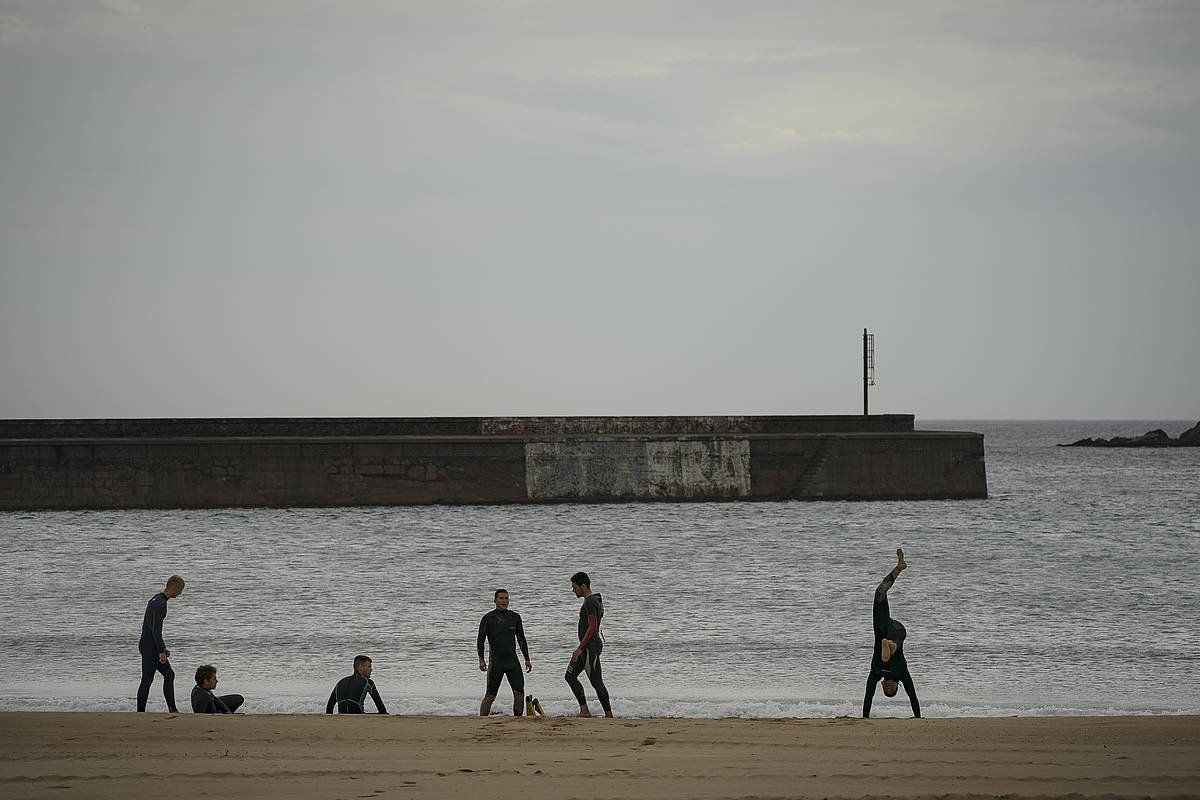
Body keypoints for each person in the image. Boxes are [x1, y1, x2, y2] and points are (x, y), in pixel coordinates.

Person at [863, 548, 921, 718]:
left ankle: (899, 567)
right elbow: (913, 696)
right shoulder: (902, 674)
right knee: (892, 646)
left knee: (880, 592)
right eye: (892, 690)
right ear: (898, 686)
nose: (889, 688)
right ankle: (889, 646)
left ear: (881, 686)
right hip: (898, 632)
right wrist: (918, 717)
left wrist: (865, 718)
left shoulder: (876, 674)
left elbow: (868, 697)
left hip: (882, 629)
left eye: (887, 690)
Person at [564, 571, 613, 718]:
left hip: (589, 647)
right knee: (570, 676)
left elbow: (592, 627)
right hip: (588, 646)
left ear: (583, 586)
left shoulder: (591, 602)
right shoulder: (595, 600)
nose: (573, 590)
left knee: (596, 681)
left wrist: (580, 648)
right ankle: (584, 710)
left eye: (574, 587)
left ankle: (609, 715)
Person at [477, 588, 533, 716]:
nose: (504, 601)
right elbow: (480, 640)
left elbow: (521, 639)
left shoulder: (515, 617)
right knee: (490, 695)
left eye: (506, 598)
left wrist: (527, 659)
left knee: (519, 693)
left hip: (512, 662)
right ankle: (481, 720)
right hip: (496, 662)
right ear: (495, 600)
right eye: (501, 598)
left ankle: (517, 718)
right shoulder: (488, 618)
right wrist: (481, 659)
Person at [136, 575, 184, 712]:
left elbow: (151, 628)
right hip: (150, 647)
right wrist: (161, 651)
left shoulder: (155, 598)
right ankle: (140, 712)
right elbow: (156, 630)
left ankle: (172, 708)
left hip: (148, 644)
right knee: (147, 679)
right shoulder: (161, 604)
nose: (180, 593)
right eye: (180, 590)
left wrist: (162, 648)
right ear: (174, 587)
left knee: (169, 675)